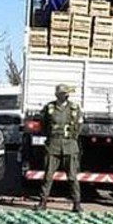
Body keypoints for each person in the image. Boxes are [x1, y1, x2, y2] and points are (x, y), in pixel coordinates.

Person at [36, 83, 83, 213]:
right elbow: (43, 125)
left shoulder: (74, 108)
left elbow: (79, 126)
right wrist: (50, 136)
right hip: (53, 145)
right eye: (62, 94)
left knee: (73, 177)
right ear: (57, 95)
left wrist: (72, 138)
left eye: (66, 94)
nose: (65, 96)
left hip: (70, 145)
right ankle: (42, 202)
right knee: (48, 176)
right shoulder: (49, 108)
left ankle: (77, 204)